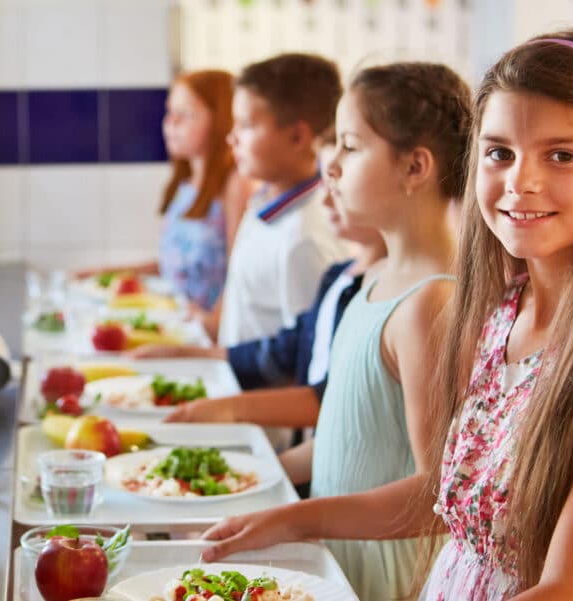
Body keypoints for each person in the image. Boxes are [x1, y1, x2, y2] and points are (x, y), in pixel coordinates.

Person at [203, 30, 573, 601]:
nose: (519, 182)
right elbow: (446, 499)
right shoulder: (501, 310)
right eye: (499, 152)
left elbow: (570, 588)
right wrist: (292, 517)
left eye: (563, 155)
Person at [200, 61, 473, 601]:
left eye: (350, 146)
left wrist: (295, 518)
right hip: (338, 560)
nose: (331, 169)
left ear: (415, 167)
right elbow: (349, 442)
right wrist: (255, 483)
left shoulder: (430, 302)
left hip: (386, 578)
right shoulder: (373, 279)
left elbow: (437, 494)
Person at [132, 132, 387, 455]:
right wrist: (190, 354)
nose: (324, 200)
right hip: (303, 454)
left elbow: (326, 400)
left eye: (351, 147)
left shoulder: (308, 243)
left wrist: (231, 408)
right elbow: (286, 351)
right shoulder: (340, 277)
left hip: (292, 445)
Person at [76, 70, 250, 318]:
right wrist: (107, 273)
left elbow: (239, 273)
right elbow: (176, 268)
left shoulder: (235, 185)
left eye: (186, 115)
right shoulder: (185, 184)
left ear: (221, 119)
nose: (171, 123)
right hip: (175, 319)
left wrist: (211, 327)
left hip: (206, 334)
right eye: (170, 112)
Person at [213, 53, 348, 346]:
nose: (232, 138)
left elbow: (302, 360)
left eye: (246, 125)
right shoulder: (263, 203)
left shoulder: (304, 239)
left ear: (298, 137)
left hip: (258, 391)